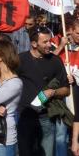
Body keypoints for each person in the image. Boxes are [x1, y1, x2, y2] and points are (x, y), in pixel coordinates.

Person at [17, 26, 70, 156]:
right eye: (45, 42)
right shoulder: (20, 60)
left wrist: (53, 92)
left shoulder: (55, 61)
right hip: (25, 116)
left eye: (49, 40)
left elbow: (66, 89)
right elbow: (8, 83)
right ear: (34, 44)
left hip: (46, 117)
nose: (49, 44)